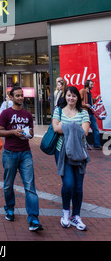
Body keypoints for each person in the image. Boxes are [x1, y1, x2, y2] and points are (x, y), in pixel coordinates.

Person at [0, 86, 43, 232]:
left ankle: (34, 218)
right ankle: (9, 208)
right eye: (17, 95)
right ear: (11, 97)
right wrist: (13, 132)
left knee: (30, 186)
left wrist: (29, 133)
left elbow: (32, 133)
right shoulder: (6, 113)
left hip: (25, 153)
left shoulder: (28, 115)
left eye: (21, 95)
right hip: (10, 153)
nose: (20, 98)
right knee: (8, 184)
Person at [52, 85, 90, 231]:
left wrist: (65, 126)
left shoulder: (83, 113)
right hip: (62, 152)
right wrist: (75, 126)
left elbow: (85, 132)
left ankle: (76, 216)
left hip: (79, 153)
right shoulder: (58, 110)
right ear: (65, 96)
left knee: (78, 187)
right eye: (69, 95)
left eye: (74, 96)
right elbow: (56, 128)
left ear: (77, 98)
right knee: (68, 184)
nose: (71, 98)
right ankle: (65, 213)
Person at [79, 80, 101, 149]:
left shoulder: (89, 93)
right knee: (85, 130)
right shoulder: (82, 91)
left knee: (96, 129)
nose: (93, 86)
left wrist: (97, 98)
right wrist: (85, 105)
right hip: (85, 114)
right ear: (87, 84)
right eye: (91, 84)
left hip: (91, 113)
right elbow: (78, 101)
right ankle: (83, 144)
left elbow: (91, 101)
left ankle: (97, 145)